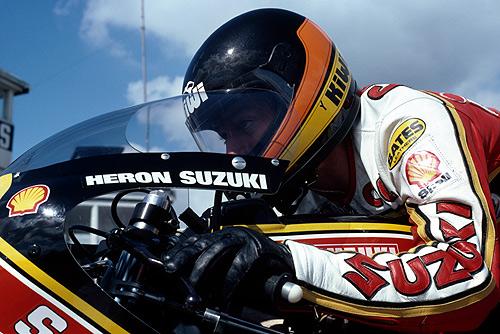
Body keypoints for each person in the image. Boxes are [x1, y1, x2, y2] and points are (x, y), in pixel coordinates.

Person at [164, 8, 499, 333]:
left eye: (245, 123)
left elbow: (470, 275)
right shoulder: (298, 184)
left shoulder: (408, 125)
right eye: (224, 136)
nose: (232, 151)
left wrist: (292, 263)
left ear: (304, 97)